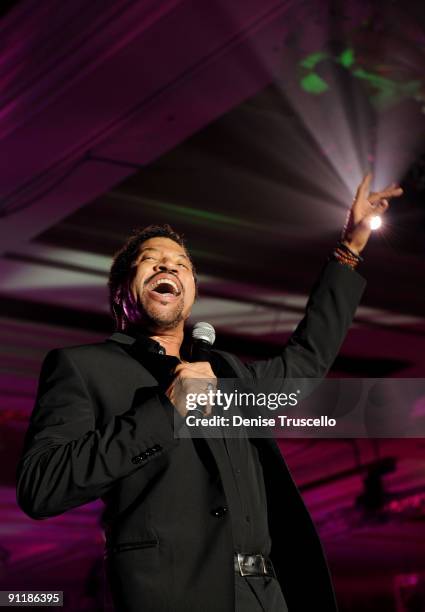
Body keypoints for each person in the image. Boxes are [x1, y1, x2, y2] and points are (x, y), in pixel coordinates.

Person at [16, 174, 402, 612]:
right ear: (121, 291)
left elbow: (305, 363)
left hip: (267, 597)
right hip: (176, 597)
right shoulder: (84, 368)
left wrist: (348, 251)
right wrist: (165, 410)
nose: (168, 267)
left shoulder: (225, 371)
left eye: (180, 264)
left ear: (192, 290)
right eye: (151, 260)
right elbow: (41, 487)